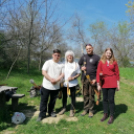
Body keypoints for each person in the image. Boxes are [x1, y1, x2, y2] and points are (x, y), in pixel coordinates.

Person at [37, 49, 64, 121]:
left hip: (56, 86)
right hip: (46, 85)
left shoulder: (62, 64)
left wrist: (56, 80)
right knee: (44, 100)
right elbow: (44, 72)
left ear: (60, 56)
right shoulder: (48, 62)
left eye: (58, 55)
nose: (57, 56)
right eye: (55, 55)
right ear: (53, 55)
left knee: (53, 101)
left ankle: (50, 112)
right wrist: (51, 79)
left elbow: (62, 74)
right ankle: (42, 114)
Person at [96, 48, 120, 125]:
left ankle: (112, 115)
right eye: (107, 53)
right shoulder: (101, 62)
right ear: (105, 53)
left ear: (111, 54)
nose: (108, 54)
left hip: (112, 82)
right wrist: (98, 84)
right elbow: (98, 73)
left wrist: (118, 84)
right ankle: (105, 114)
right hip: (104, 83)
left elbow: (117, 73)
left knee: (111, 99)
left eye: (110, 53)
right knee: (105, 99)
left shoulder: (114, 62)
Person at [79, 44, 100, 118]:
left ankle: (91, 110)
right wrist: (81, 67)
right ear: (85, 49)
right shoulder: (83, 57)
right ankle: (85, 109)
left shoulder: (97, 57)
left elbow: (99, 70)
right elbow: (78, 64)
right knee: (85, 94)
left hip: (92, 80)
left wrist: (96, 79)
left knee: (91, 95)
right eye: (87, 49)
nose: (88, 50)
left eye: (90, 48)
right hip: (84, 79)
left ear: (92, 48)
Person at [58, 50, 81, 117]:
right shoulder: (63, 64)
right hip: (65, 84)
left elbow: (79, 73)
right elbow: (60, 73)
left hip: (73, 84)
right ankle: (64, 108)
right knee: (64, 97)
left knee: (73, 97)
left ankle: (72, 110)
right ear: (66, 57)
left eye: (71, 55)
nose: (69, 56)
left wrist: (73, 77)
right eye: (68, 55)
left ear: (73, 56)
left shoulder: (76, 64)